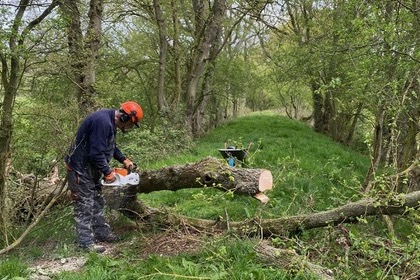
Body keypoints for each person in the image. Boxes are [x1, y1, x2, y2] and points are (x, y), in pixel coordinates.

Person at [65, 101, 143, 253]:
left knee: (97, 201)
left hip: (91, 168)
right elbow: (96, 152)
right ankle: (85, 243)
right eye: (130, 124)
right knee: (85, 205)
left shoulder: (109, 122)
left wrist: (124, 159)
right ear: (125, 118)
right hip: (80, 168)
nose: (129, 127)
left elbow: (109, 146)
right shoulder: (103, 122)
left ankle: (102, 233)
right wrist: (108, 172)